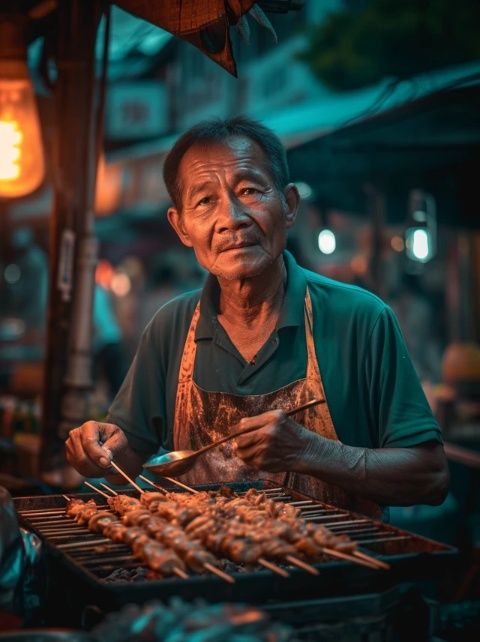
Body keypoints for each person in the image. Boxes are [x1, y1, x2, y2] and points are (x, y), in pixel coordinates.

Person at [65, 117, 448, 518]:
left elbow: (430, 477)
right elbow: (129, 455)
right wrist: (100, 451)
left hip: (338, 578)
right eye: (205, 201)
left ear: (289, 205)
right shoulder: (170, 326)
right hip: (200, 574)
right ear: (181, 226)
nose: (232, 217)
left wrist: (309, 451)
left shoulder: (361, 319)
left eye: (249, 190)